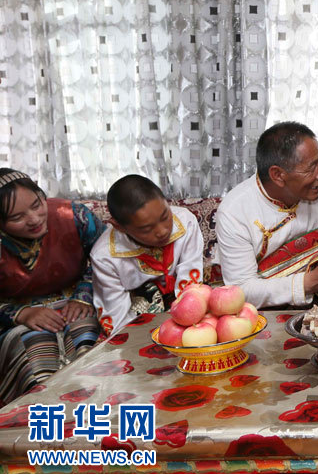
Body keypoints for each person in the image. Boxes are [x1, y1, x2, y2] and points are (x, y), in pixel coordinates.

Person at [215, 122, 318, 308]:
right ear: (278, 175)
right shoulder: (234, 211)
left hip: (316, 304)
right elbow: (241, 291)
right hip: (258, 313)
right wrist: (309, 282)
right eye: (311, 167)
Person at [0, 169, 104, 404]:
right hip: (17, 318)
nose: (34, 219)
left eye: (36, 205)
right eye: (17, 217)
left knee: (87, 346)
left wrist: (83, 296)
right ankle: (41, 419)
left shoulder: (74, 215)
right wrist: (21, 314)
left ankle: (97, 414)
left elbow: (109, 258)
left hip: (77, 302)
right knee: (36, 363)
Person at [91, 175, 204, 335]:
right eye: (146, 229)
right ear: (119, 227)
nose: (162, 231)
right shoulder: (104, 256)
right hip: (137, 316)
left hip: (183, 305)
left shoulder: (186, 222)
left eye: (165, 217)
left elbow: (191, 288)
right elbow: (118, 320)